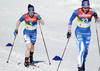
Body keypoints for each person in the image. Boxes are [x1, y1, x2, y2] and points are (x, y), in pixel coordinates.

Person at [67, 0, 100, 71]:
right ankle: (79, 67)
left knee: (86, 51)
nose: (86, 9)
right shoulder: (77, 11)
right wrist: (69, 31)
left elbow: (98, 22)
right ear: (82, 6)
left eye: (87, 7)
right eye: (84, 8)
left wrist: (96, 17)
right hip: (79, 32)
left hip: (88, 34)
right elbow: (70, 20)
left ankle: (83, 62)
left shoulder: (92, 11)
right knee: (81, 49)